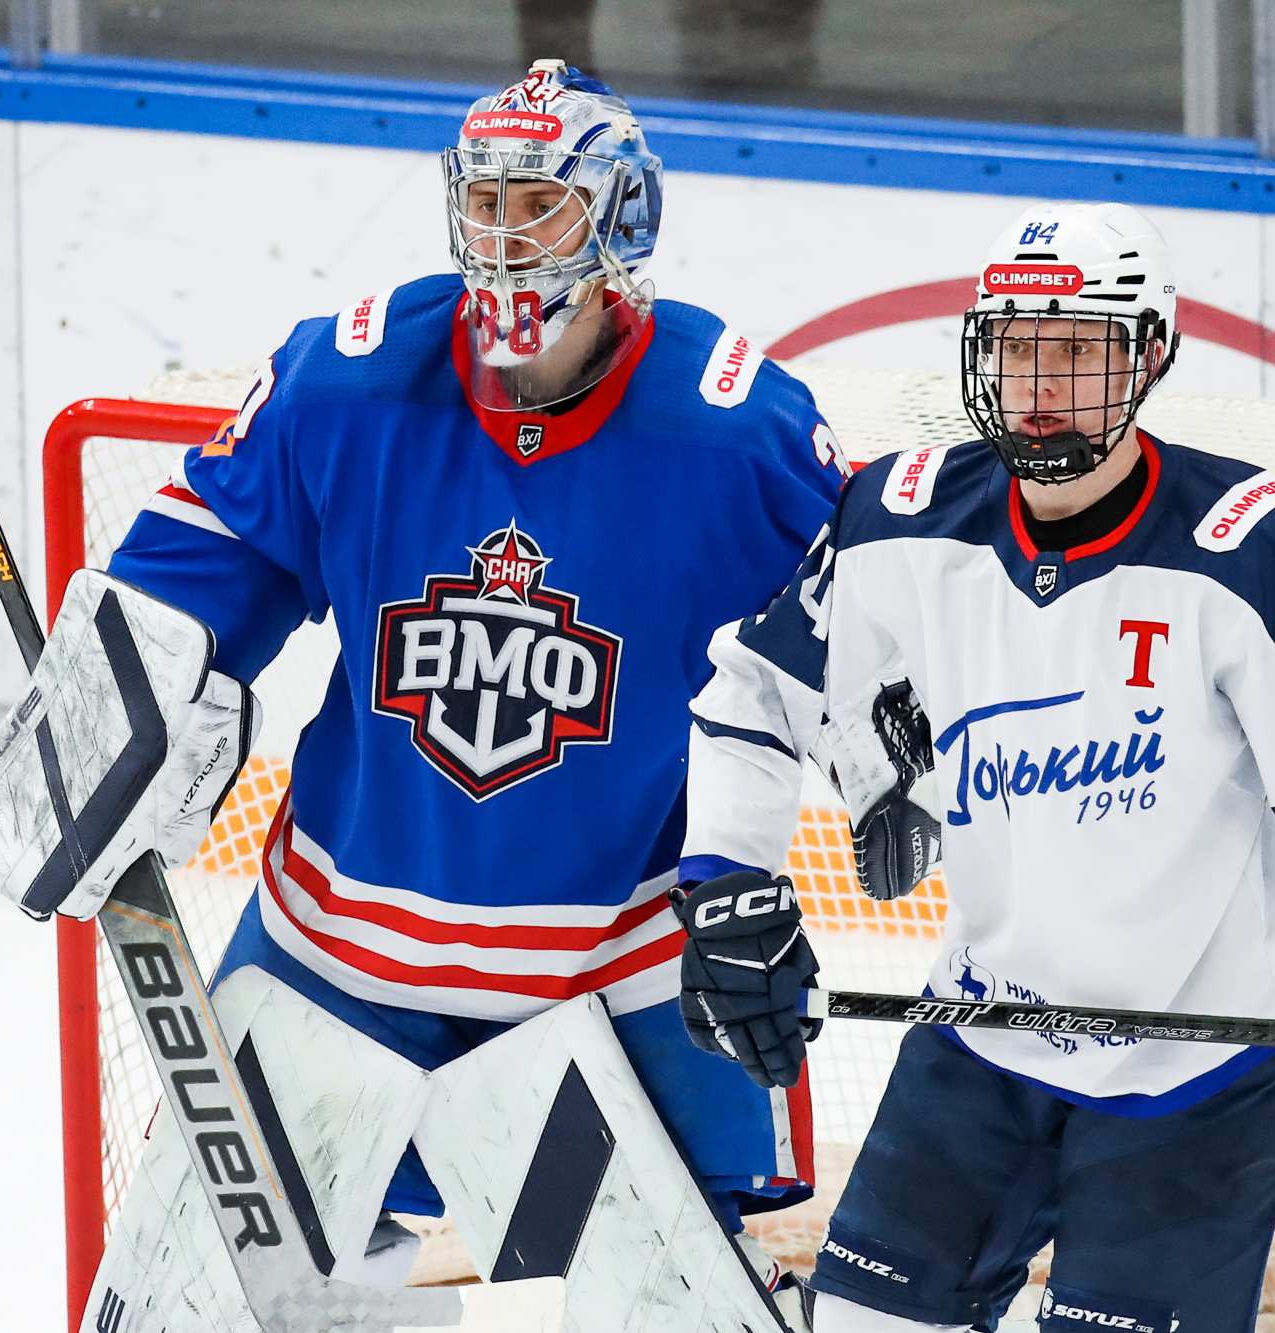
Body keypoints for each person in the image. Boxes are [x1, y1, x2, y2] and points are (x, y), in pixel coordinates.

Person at [670, 201, 1275, 1333]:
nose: (1040, 385)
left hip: (1202, 1077)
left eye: (1076, 351)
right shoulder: (896, 519)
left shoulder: (1243, 547)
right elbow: (753, 697)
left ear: (1151, 353)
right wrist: (725, 882)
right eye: (1018, 348)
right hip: (979, 1042)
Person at [103, 59, 845, 1282]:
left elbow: (855, 649)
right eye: (484, 204)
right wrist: (121, 711)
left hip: (607, 983)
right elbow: (197, 565)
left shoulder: (731, 432)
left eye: (538, 205)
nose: (504, 240)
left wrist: (790, 861)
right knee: (218, 1285)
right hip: (335, 967)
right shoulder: (343, 382)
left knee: (660, 1303)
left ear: (621, 218)